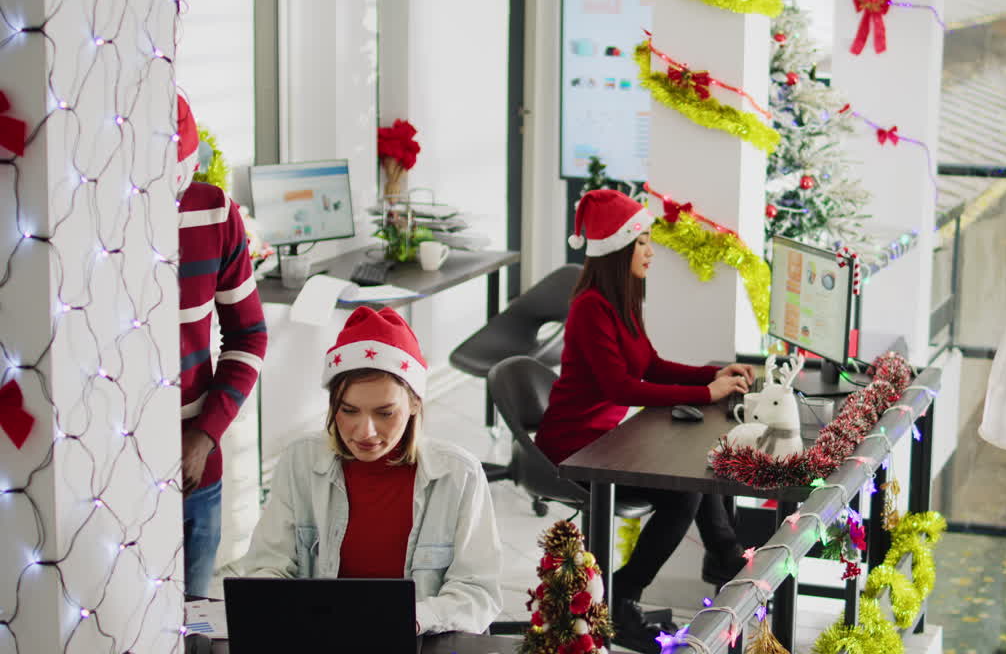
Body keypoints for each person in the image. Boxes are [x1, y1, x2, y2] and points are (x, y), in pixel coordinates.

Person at [534, 189, 753, 653]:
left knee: (696, 473)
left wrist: (713, 375)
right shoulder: (590, 307)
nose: (652, 252)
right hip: (574, 450)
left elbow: (649, 364)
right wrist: (705, 393)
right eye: (644, 243)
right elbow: (620, 387)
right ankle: (623, 594)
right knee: (684, 493)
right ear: (618, 248)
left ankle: (722, 556)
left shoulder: (621, 300)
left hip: (604, 440)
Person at [220, 306, 502, 634]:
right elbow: (266, 567)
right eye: (349, 410)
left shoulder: (460, 475)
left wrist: (410, 619)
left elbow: (478, 593)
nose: (364, 432)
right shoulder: (299, 461)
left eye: (384, 413)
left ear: (414, 403)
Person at [175, 95, 269, 597]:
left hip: (194, 470)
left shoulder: (213, 213)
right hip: (98, 479)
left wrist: (205, 435)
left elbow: (249, 335)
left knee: (189, 624)